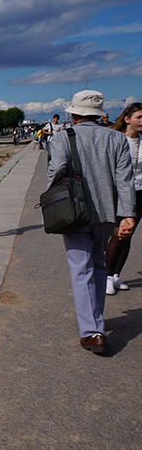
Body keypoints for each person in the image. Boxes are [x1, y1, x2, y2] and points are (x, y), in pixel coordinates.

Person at [47, 90, 135, 354]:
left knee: (80, 268)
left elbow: (57, 169)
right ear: (98, 115)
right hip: (107, 211)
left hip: (74, 211)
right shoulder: (117, 138)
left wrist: (51, 194)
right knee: (98, 264)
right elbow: (124, 179)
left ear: (74, 114)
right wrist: (128, 214)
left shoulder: (63, 137)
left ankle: (93, 332)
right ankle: (96, 321)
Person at [104, 102, 142, 295]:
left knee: (129, 235)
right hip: (120, 193)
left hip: (140, 192)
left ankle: (116, 274)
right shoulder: (115, 139)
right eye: (139, 117)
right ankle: (106, 275)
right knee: (119, 234)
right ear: (127, 119)